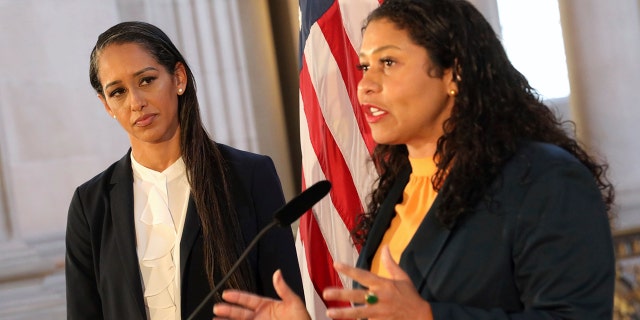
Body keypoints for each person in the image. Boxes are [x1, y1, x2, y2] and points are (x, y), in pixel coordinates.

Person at [212, 0, 616, 319]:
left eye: (388, 63)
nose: (365, 85)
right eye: (364, 66)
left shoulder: (544, 179)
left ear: (453, 73)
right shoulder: (399, 187)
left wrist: (428, 317)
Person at [65, 21, 303, 320]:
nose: (136, 102)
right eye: (118, 92)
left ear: (178, 78)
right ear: (107, 106)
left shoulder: (250, 175)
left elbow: (284, 302)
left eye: (147, 80)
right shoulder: (90, 205)